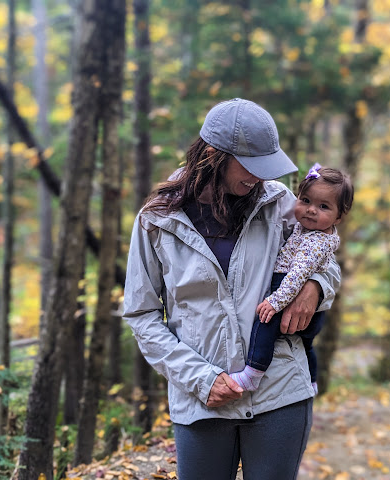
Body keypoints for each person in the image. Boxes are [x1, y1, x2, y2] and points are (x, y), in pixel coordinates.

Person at [123, 98, 341, 480]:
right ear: (213, 156)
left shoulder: (279, 203)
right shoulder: (156, 220)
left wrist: (316, 288)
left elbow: (324, 256)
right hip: (202, 399)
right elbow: (141, 315)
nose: (260, 176)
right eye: (251, 166)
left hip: (280, 391)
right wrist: (201, 380)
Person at [230, 164, 353, 396]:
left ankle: (253, 373)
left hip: (287, 288)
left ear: (340, 216)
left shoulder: (315, 242)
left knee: (264, 325)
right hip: (303, 300)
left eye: (323, 206)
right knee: (306, 346)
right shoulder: (310, 229)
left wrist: (275, 302)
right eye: (305, 200)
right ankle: (313, 380)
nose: (311, 210)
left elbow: (296, 276)